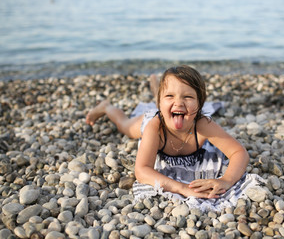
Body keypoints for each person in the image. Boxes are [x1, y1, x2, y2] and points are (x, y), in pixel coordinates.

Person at [86, 65, 263, 211]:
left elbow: (239, 152)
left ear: (201, 105)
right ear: (160, 104)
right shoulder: (154, 127)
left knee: (168, 98)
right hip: (152, 120)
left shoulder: (202, 124)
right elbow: (141, 170)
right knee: (125, 126)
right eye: (170, 96)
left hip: (172, 111)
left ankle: (158, 89)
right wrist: (181, 188)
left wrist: (226, 180)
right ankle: (106, 107)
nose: (179, 102)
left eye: (188, 97)